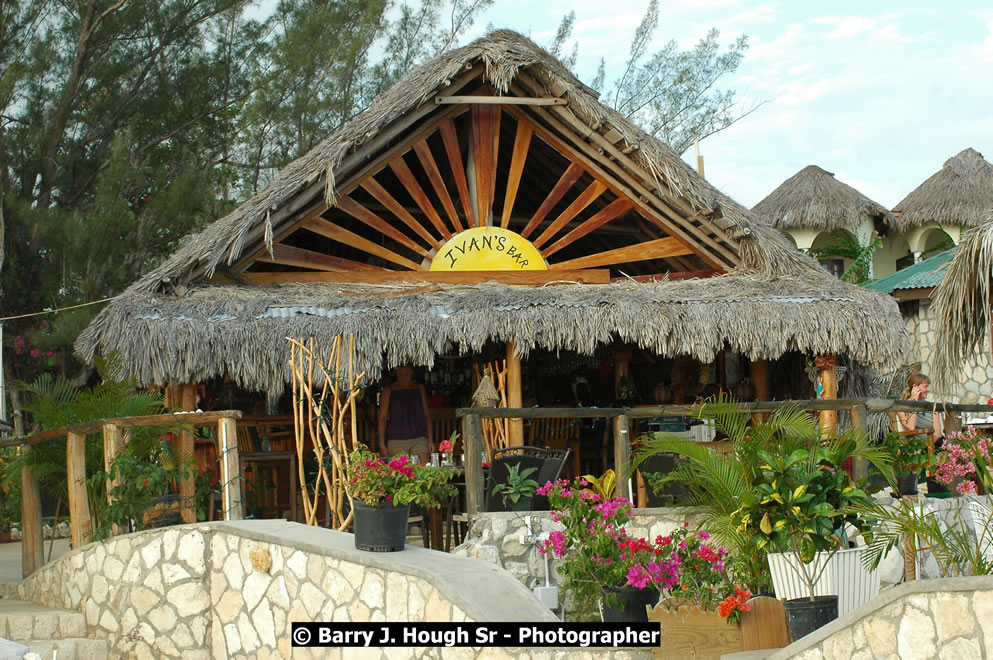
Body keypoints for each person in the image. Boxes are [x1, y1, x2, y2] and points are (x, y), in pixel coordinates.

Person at [378, 365, 434, 466]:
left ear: (411, 373)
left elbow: (426, 415)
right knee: (401, 476)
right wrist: (382, 444)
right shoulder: (389, 390)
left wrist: (430, 439)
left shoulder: (419, 388)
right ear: (396, 374)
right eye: (400, 374)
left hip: (418, 437)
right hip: (397, 439)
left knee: (423, 473)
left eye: (406, 374)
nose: (403, 377)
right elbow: (382, 418)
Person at [896, 373, 943, 443]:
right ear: (915, 386)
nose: (929, 390)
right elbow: (911, 427)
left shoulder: (931, 407)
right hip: (915, 447)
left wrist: (926, 446)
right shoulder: (901, 407)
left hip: (932, 444)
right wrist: (914, 402)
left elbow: (938, 434)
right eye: (925, 386)